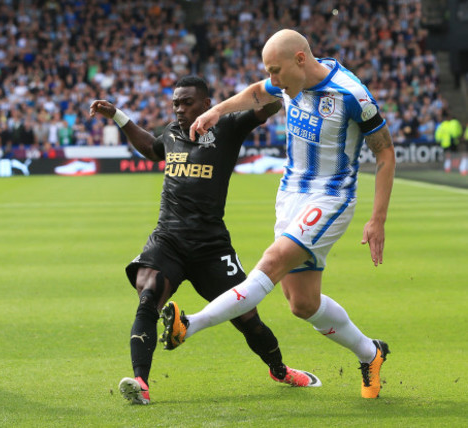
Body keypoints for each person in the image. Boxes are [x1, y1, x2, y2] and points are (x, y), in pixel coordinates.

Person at [162, 30, 396, 399]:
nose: (273, 81)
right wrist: (216, 110)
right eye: (268, 71)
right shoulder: (286, 82)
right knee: (302, 304)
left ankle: (188, 326)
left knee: (271, 262)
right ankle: (371, 352)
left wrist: (377, 218)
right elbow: (258, 91)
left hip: (330, 198)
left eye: (276, 71)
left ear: (301, 59)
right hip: (290, 195)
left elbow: (385, 153)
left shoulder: (352, 95)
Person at [90, 75, 322, 406]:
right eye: (176, 103)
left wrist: (284, 82)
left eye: (187, 102)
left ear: (206, 104)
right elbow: (149, 148)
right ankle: (140, 382)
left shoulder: (227, 127)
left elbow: (268, 105)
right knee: (148, 295)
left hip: (211, 246)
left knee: (248, 319)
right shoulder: (171, 133)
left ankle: (279, 369)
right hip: (168, 238)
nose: (180, 109)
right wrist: (118, 116)